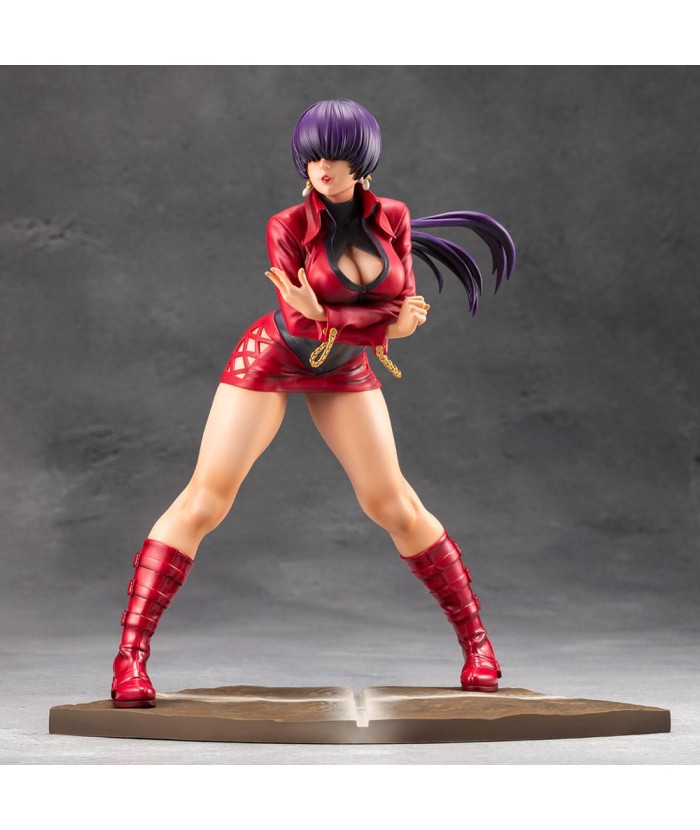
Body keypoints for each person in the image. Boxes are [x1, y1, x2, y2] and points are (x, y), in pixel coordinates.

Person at [111, 99, 516, 709]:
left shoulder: (394, 217)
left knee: (394, 503)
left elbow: (399, 306)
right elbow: (314, 319)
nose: (322, 167)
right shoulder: (286, 225)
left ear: (362, 162)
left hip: (345, 365)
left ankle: (479, 645)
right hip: (273, 355)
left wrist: (338, 315)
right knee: (206, 499)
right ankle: (130, 656)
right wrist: (377, 324)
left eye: (337, 156)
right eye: (312, 156)